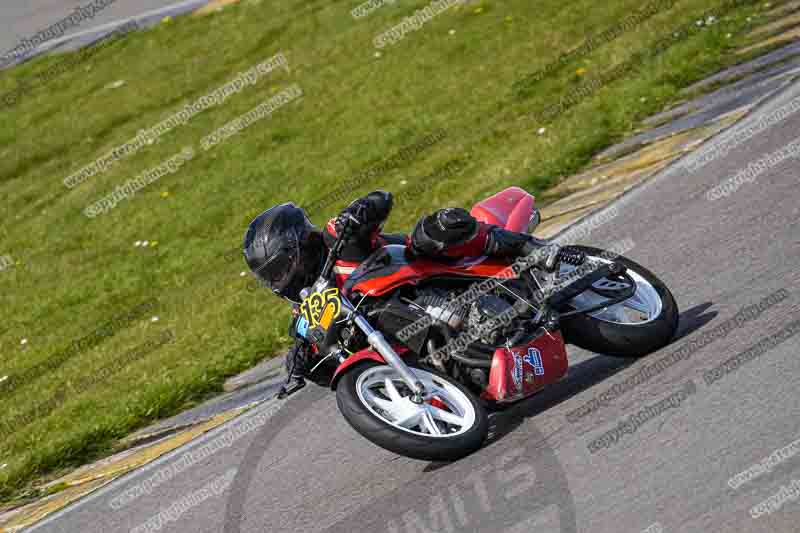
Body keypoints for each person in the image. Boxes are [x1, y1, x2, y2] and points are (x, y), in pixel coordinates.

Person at [243, 191, 560, 398]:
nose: (282, 279)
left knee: (431, 231)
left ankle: (527, 247)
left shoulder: (338, 239)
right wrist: (301, 362)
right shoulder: (308, 315)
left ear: (300, 245)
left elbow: (382, 199)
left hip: (444, 275)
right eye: (272, 276)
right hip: (422, 341)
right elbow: (331, 374)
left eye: (282, 267)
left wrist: (362, 209)